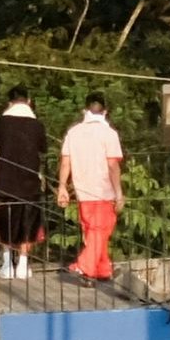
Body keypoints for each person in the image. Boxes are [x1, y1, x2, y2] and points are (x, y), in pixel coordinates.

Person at [58, 93, 124, 282]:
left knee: (93, 231)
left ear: (84, 110)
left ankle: (102, 269)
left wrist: (62, 187)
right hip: (103, 191)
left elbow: (65, 163)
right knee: (101, 230)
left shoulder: (74, 132)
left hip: (82, 191)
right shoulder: (109, 134)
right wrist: (119, 193)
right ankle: (84, 265)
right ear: (105, 111)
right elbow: (113, 166)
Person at [0, 85, 46, 281]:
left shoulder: (2, 122)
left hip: (5, 181)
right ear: (28, 101)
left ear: (9, 102)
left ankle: (6, 263)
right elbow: (43, 149)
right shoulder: (37, 125)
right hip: (30, 182)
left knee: (4, 222)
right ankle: (23, 263)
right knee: (28, 223)